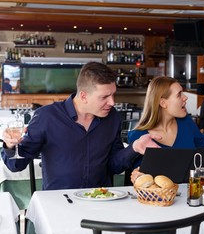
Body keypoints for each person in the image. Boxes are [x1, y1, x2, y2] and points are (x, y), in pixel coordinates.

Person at [1, 62, 160, 190]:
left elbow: (113, 166)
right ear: (83, 96)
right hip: (59, 202)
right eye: (104, 97)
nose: (112, 102)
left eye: (113, 94)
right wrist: (10, 145)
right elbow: (16, 165)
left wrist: (135, 147)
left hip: (100, 199)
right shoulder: (47, 117)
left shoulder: (112, 118)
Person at [128, 76, 204, 182]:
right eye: (179, 94)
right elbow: (140, 177)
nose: (185, 97)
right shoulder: (138, 136)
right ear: (163, 103)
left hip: (191, 194)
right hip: (159, 197)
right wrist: (137, 176)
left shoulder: (186, 124)